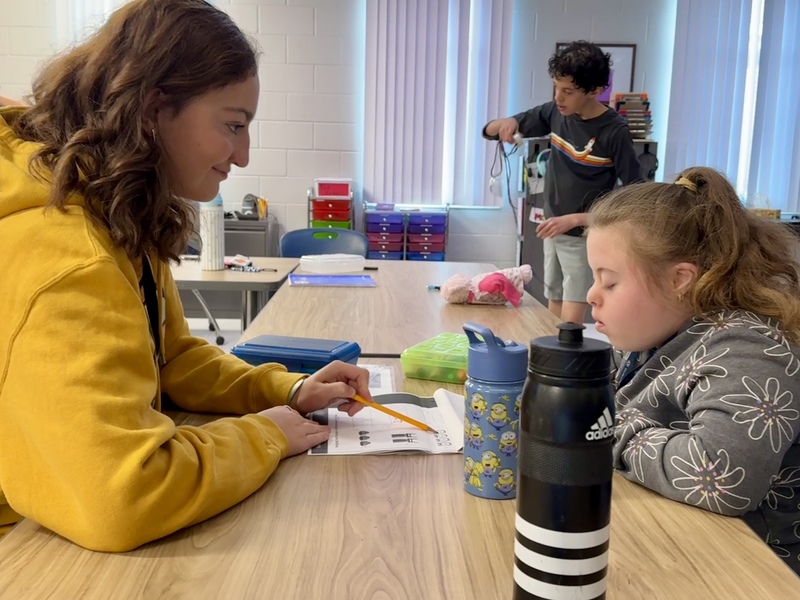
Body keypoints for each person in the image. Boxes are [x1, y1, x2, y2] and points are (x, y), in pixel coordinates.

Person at [0, 0, 373, 552]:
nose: (242, 156)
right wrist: (266, 433)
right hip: (23, 544)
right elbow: (122, 495)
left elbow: (172, 356)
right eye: (232, 126)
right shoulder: (71, 257)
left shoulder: (117, 211)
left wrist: (288, 391)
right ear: (154, 109)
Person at [586, 166, 800, 575]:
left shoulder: (749, 349)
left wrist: (599, 427)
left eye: (609, 282)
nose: (591, 296)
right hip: (683, 533)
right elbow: (610, 389)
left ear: (679, 280)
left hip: (755, 568)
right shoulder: (657, 331)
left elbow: (722, 476)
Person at [484, 41, 641, 324]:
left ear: (594, 91)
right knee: (553, 297)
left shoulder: (613, 131)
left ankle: (563, 361)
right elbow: (492, 130)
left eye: (568, 91)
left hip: (584, 235)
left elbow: (636, 198)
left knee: (573, 303)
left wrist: (577, 219)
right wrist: (506, 122)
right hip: (553, 228)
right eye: (556, 87)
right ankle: (551, 356)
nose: (559, 97)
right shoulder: (555, 113)